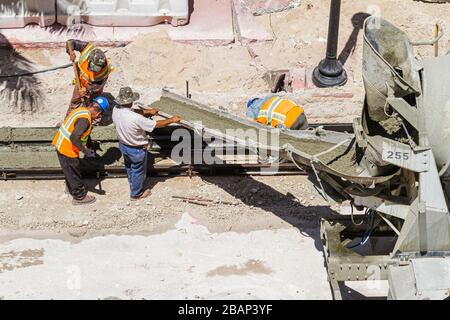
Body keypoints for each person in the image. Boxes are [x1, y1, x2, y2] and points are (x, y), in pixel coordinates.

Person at [112, 87, 181, 201]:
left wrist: (148, 112)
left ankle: (132, 181)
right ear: (130, 101)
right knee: (138, 170)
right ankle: (136, 194)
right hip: (136, 148)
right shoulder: (136, 118)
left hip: (124, 145)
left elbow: (131, 111)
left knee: (129, 166)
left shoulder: (116, 109)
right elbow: (155, 125)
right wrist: (172, 120)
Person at [52, 97, 110, 205]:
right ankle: (79, 197)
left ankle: (71, 188)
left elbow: (82, 134)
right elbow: (74, 138)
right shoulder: (85, 120)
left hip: (61, 144)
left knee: (70, 171)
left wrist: (89, 145)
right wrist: (86, 151)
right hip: (67, 149)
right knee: (73, 171)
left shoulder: (81, 111)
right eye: (99, 115)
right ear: (98, 111)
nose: (98, 117)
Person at [66, 39, 114, 115]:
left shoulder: (103, 72)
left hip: (93, 87)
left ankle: (91, 121)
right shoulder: (86, 49)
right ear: (89, 60)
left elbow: (97, 86)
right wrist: (70, 52)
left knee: (92, 104)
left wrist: (87, 91)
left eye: (96, 69)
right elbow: (70, 42)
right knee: (75, 101)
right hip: (81, 81)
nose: (93, 71)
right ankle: (69, 118)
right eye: (92, 67)